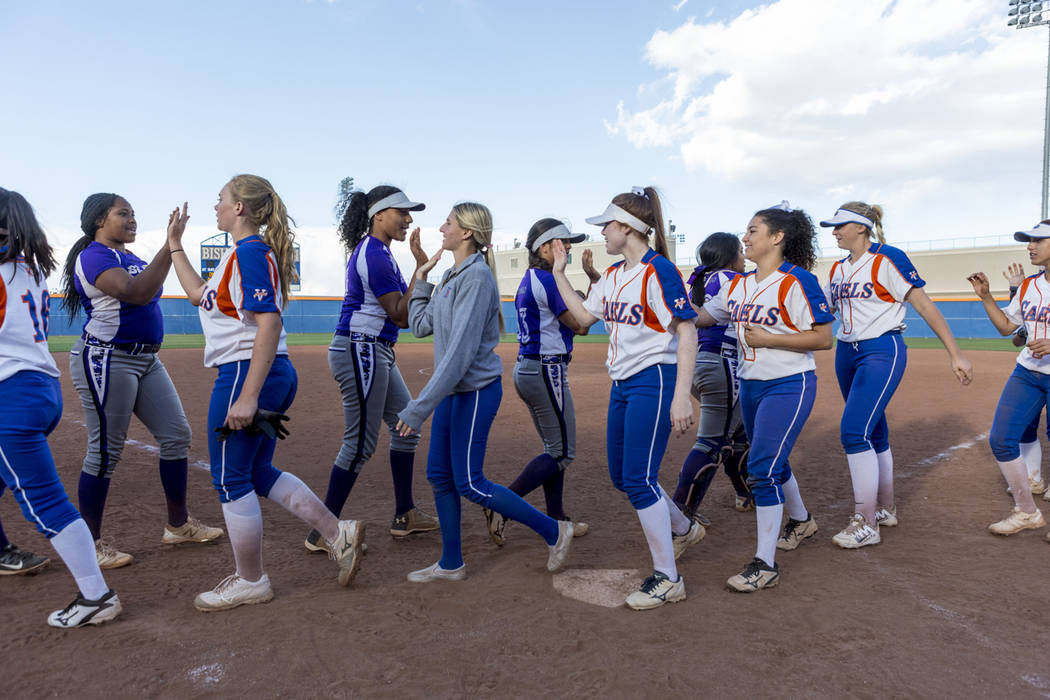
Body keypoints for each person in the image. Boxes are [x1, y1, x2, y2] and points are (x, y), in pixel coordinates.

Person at [166, 175, 363, 612]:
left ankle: (251, 580)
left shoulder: (251, 252)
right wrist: (175, 245)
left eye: (221, 200)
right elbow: (199, 293)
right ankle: (338, 534)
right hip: (265, 370)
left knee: (229, 478)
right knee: (257, 472)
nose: (215, 206)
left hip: (247, 370)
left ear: (240, 208)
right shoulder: (238, 254)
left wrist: (248, 395)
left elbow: (268, 324)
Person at [394, 202, 574, 583]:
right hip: (454, 391)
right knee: (439, 476)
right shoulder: (451, 275)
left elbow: (458, 356)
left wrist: (417, 408)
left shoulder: (476, 279)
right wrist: (423, 277)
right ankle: (450, 563)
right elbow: (420, 326)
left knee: (470, 482)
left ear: (467, 234)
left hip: (474, 391)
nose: (441, 227)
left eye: (449, 222)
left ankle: (555, 531)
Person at [552, 186, 702, 611]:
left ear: (628, 228)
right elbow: (583, 318)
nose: (602, 233)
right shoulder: (615, 275)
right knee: (623, 477)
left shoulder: (659, 271)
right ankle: (684, 529)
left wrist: (681, 397)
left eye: (606, 226)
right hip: (622, 384)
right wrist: (561, 273)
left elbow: (686, 332)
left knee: (638, 478)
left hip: (654, 378)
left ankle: (668, 577)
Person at [59, 193, 223, 569]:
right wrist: (171, 245)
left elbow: (146, 283)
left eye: (133, 213)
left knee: (176, 435)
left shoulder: (131, 258)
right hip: (106, 358)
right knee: (105, 451)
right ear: (99, 220)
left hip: (146, 359)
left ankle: (178, 526)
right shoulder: (95, 255)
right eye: (123, 213)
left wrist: (170, 246)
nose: (132, 219)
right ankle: (91, 545)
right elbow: (136, 293)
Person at [697, 202, 834, 593]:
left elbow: (824, 338)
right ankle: (802, 520)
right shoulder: (737, 284)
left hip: (789, 384)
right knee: (773, 460)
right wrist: (673, 300)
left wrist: (771, 339)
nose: (745, 237)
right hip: (751, 385)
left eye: (753, 230)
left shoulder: (798, 281)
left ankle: (765, 563)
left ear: (777, 238)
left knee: (760, 469)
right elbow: (704, 316)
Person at [0, 187, 120, 627]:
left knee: (46, 502)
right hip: (40, 390)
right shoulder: (28, 267)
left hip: (9, 397)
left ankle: (96, 596)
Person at [820, 202, 972, 548]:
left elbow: (924, 305)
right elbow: (827, 312)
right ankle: (885, 509)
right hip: (846, 352)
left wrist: (956, 353)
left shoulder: (888, 258)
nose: (834, 232)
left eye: (840, 225)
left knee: (854, 431)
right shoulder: (837, 269)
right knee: (874, 431)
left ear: (861, 227)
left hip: (881, 351)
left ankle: (865, 522)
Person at [303, 185, 437, 555]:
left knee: (406, 427)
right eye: (402, 212)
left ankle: (405, 514)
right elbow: (402, 314)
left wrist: (419, 270)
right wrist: (422, 273)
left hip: (374, 350)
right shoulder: (374, 255)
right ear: (378, 215)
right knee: (359, 444)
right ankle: (323, 531)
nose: (409, 219)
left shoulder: (381, 253)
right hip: (361, 349)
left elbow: (401, 314)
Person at [484, 217, 590, 546]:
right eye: (562, 243)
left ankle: (557, 518)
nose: (568, 248)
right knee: (563, 453)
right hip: (546, 370)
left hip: (531, 368)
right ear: (544, 248)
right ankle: (501, 505)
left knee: (553, 449)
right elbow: (581, 325)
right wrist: (593, 295)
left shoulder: (534, 278)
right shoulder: (547, 277)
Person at [967, 220, 1050, 537]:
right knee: (1001, 439)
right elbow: (1006, 328)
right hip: (1027, 373)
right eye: (1028, 241)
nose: (1030, 246)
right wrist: (986, 297)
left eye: (1038, 241)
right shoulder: (1029, 286)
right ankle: (1027, 512)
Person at [671, 232, 753, 524]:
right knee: (712, 442)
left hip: (694, 364)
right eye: (740, 253)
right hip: (722, 363)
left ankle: (744, 493)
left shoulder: (696, 280)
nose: (744, 257)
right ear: (730, 257)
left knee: (738, 433)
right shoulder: (736, 280)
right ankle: (681, 512)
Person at [1003, 262, 1046, 494]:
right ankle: (1033, 479)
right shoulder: (1032, 287)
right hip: (1031, 370)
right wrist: (1014, 290)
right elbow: (1016, 338)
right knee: (1026, 427)